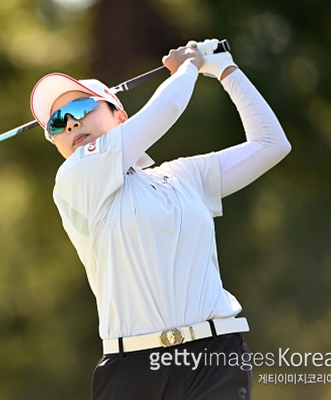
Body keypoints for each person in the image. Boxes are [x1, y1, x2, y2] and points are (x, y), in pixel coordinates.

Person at [29, 39, 291, 400]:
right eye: (56, 123)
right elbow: (167, 107)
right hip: (131, 372)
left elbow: (271, 144)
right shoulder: (75, 179)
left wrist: (226, 70)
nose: (71, 123)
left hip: (215, 357)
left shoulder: (185, 176)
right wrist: (189, 66)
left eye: (81, 106)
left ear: (120, 115)